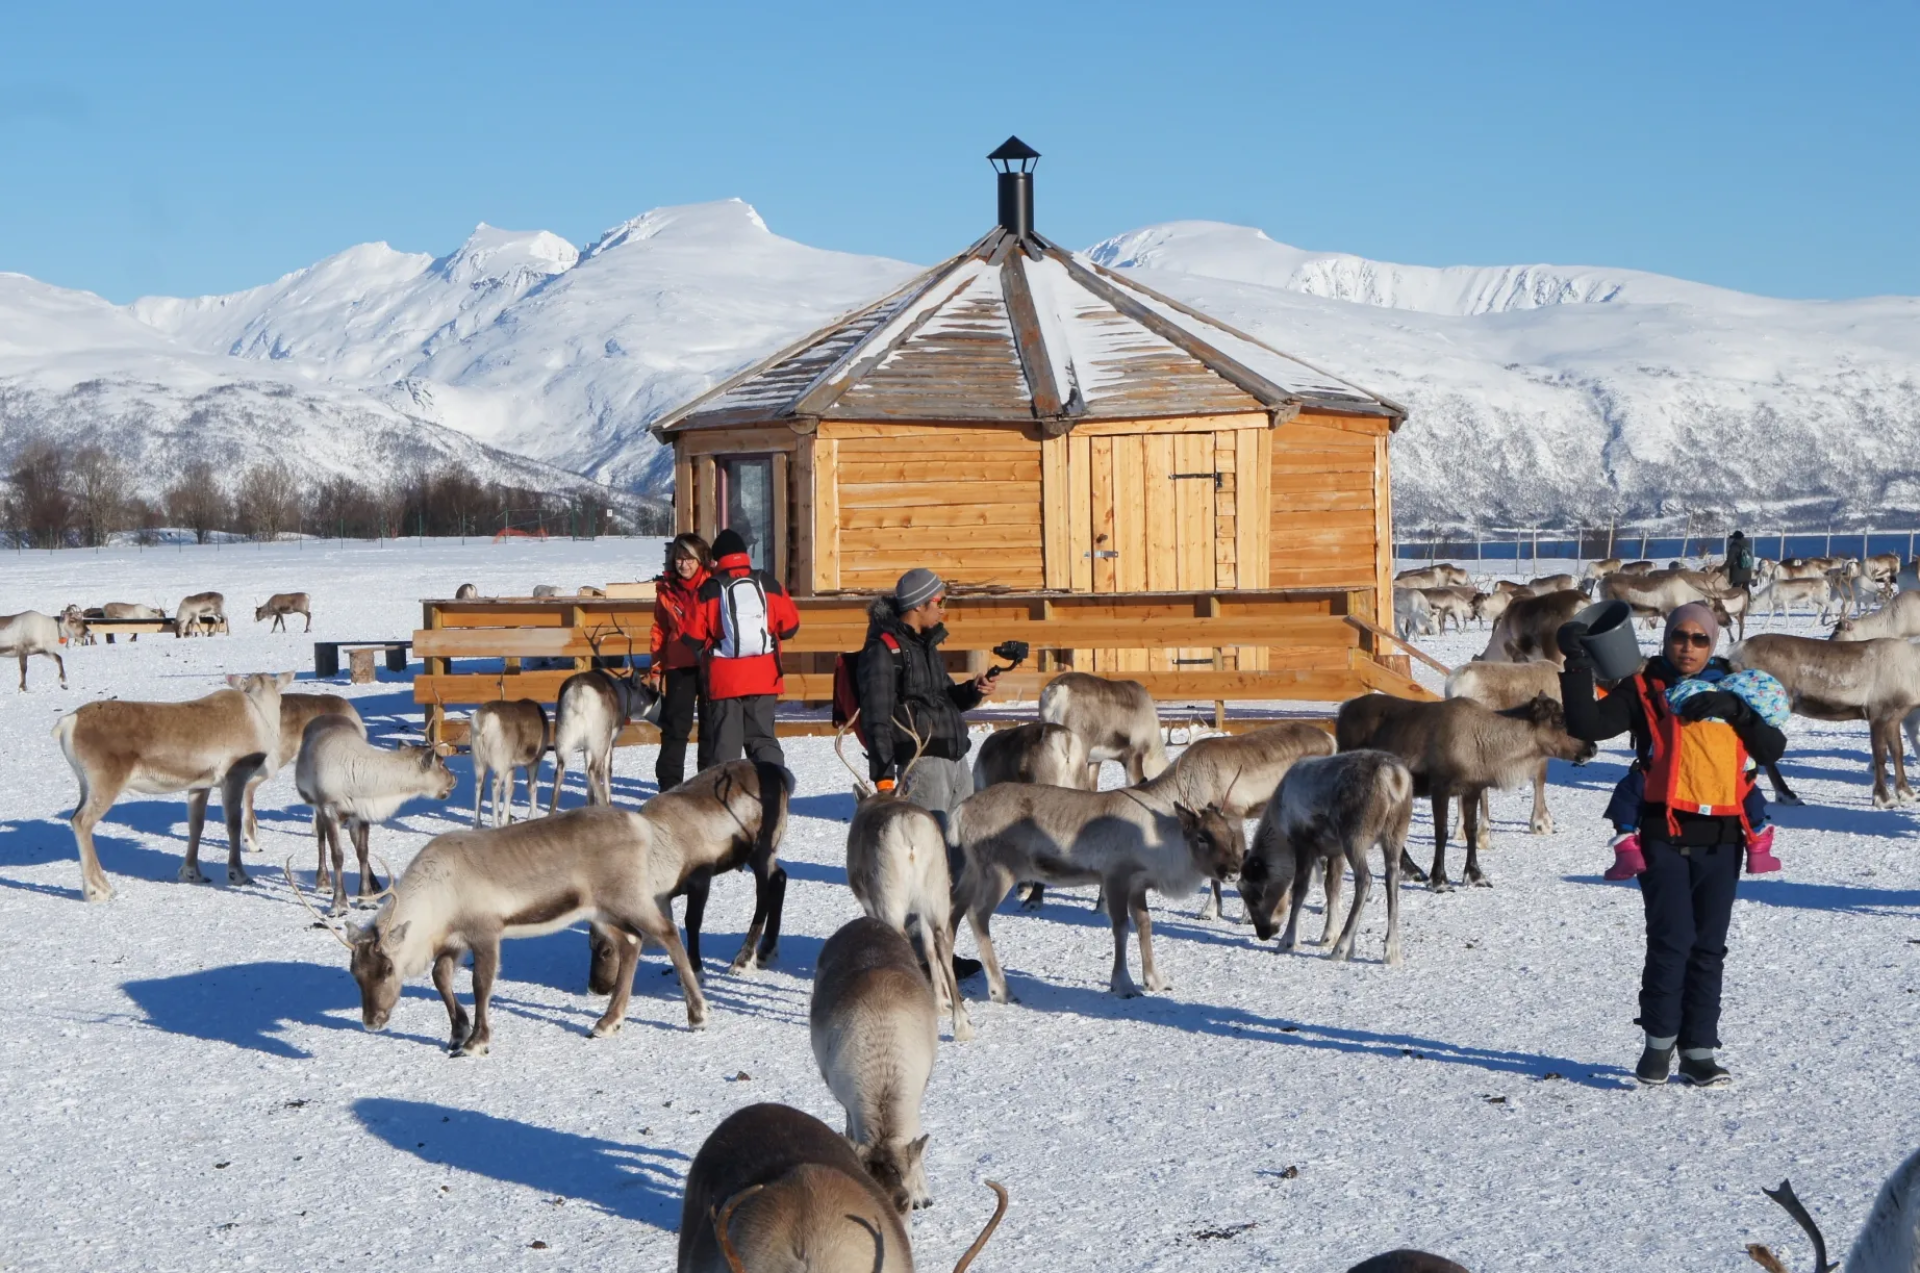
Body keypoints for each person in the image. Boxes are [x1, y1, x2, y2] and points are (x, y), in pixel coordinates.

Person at [1557, 601, 1788, 1088]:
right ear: (1665, 640)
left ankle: (1699, 1051)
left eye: (1699, 639)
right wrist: (1577, 663)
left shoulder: (1735, 686)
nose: (1688, 647)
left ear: (1712, 643)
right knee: (1671, 942)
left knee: (1708, 948)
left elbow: (1769, 749)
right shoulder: (1643, 688)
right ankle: (1658, 1045)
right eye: (1679, 637)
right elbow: (1586, 726)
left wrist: (1739, 711)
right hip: (1661, 832)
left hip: (1724, 838)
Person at [855, 568, 1000, 822]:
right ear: (918, 605)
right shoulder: (883, 649)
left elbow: (944, 698)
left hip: (957, 760)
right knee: (929, 850)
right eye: (940, 601)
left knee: (962, 853)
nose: (943, 609)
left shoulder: (925, 644)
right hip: (922, 765)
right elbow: (875, 716)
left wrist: (973, 690)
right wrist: (884, 778)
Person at [683, 528, 799, 771]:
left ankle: (726, 803)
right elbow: (790, 627)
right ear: (744, 554)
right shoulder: (767, 582)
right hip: (764, 677)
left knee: (726, 747)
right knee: (763, 739)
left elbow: (692, 637)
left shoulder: (709, 588)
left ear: (717, 558)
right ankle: (773, 793)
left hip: (725, 680)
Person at [647, 532, 709, 792]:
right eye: (678, 559)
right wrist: (656, 668)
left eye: (689, 559)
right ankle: (670, 786)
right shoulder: (666, 589)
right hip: (677, 665)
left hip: (709, 664)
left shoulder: (713, 585)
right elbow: (659, 629)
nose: (683, 564)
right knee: (675, 728)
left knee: (712, 728)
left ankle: (708, 784)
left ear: (701, 560)